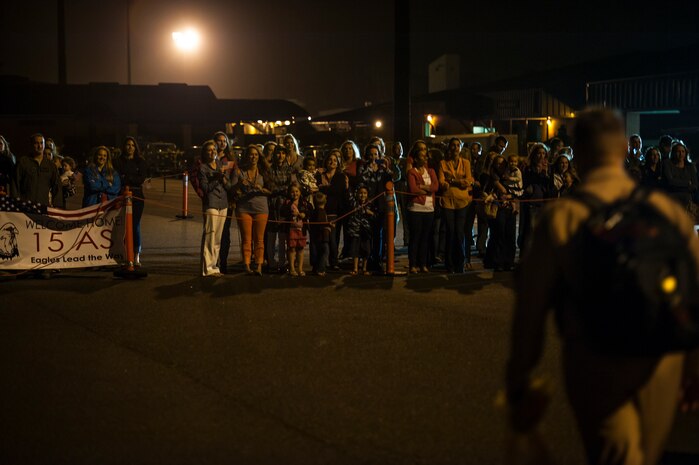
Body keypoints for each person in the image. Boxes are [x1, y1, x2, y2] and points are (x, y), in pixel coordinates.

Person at [506, 108, 699, 465]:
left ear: (577, 153)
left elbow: (530, 311)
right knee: (649, 453)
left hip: (596, 357)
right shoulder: (668, 213)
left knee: (614, 454)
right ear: (624, 149)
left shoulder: (563, 218)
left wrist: (519, 381)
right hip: (662, 358)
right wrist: (693, 364)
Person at [232, 144, 270, 275]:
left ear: (259, 156)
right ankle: (247, 265)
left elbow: (271, 190)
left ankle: (259, 265)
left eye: (255, 154)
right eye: (251, 154)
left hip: (261, 208)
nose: (253, 157)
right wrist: (239, 184)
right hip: (244, 208)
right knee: (246, 239)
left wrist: (262, 189)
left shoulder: (264, 171)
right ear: (246, 156)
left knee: (259, 239)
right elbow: (232, 190)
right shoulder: (239, 171)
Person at [438, 138, 473, 273]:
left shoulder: (466, 163)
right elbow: (442, 183)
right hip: (448, 202)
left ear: (461, 147)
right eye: (453, 145)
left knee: (460, 233)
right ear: (449, 147)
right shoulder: (443, 163)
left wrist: (451, 180)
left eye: (458, 145)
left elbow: (468, 181)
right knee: (450, 233)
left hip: (463, 202)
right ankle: (449, 263)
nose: (455, 148)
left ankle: (460, 262)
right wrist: (459, 182)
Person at [198, 141, 232, 278]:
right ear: (205, 153)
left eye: (214, 150)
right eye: (209, 150)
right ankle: (206, 268)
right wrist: (217, 179)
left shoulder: (220, 165)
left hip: (223, 203)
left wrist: (223, 179)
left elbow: (228, 185)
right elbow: (205, 189)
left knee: (218, 237)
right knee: (209, 236)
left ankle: (214, 266)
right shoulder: (203, 168)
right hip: (211, 204)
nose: (212, 152)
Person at [357, 143, 393, 271]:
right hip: (368, 203)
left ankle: (377, 260)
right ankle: (367, 260)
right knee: (367, 234)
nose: (373, 157)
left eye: (375, 154)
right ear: (367, 155)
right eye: (371, 154)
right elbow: (361, 183)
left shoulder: (383, 168)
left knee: (379, 235)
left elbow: (393, 179)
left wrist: (387, 166)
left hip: (381, 205)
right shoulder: (363, 168)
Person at [116, 137, 148, 266]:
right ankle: (124, 254)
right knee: (122, 226)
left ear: (136, 147)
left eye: (132, 145)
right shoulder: (118, 161)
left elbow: (141, 179)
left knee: (135, 226)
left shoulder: (141, 161)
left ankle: (136, 255)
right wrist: (129, 178)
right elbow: (117, 178)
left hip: (137, 197)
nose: (130, 147)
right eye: (127, 145)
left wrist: (127, 177)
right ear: (124, 147)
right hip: (121, 195)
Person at [407, 145, 439, 273]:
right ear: (415, 159)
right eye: (421, 155)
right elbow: (413, 189)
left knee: (425, 238)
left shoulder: (431, 171)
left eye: (425, 155)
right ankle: (413, 264)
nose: (425, 157)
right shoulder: (412, 172)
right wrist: (427, 188)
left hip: (429, 208)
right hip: (416, 209)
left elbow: (436, 187)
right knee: (415, 237)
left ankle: (423, 264)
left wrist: (423, 187)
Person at [483, 155, 518, 271]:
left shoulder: (509, 175)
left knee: (510, 236)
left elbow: (518, 190)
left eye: (502, 164)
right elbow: (486, 191)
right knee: (499, 235)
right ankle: (497, 262)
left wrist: (510, 195)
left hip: (510, 208)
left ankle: (509, 262)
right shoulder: (491, 177)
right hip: (498, 209)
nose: (500, 166)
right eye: (497, 163)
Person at [315, 149, 346, 270]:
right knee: (321, 238)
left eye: (335, 160)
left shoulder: (340, 176)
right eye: (330, 160)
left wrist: (324, 188)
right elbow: (316, 189)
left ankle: (333, 262)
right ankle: (321, 262)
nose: (332, 162)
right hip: (321, 211)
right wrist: (327, 188)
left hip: (334, 211)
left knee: (333, 239)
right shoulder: (319, 175)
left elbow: (338, 190)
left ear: (338, 163)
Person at [265, 144, 294, 272]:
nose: (280, 156)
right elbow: (271, 188)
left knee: (283, 236)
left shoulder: (289, 169)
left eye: (283, 153)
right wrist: (282, 189)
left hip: (284, 206)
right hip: (272, 205)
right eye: (278, 153)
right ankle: (271, 262)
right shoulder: (269, 169)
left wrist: (281, 190)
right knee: (271, 235)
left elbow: (291, 187)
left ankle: (282, 263)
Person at [13, 133, 61, 206]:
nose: (40, 146)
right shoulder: (23, 162)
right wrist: (15, 203)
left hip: (43, 207)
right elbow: (15, 184)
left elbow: (57, 187)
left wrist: (58, 205)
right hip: (25, 206)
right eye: (36, 143)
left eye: (42, 143)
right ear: (31, 145)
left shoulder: (51, 166)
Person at [213, 131, 236, 274]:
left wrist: (224, 179)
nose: (222, 143)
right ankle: (212, 262)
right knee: (213, 232)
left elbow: (232, 183)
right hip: (212, 199)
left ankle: (224, 262)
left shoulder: (229, 159)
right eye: (219, 141)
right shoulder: (210, 157)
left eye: (224, 141)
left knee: (225, 233)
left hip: (227, 200)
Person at [662, 141, 698, 217]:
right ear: (673, 153)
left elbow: (695, 185)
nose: (681, 154)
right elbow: (670, 181)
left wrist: (678, 185)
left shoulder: (690, 166)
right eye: (678, 151)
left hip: (687, 197)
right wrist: (687, 183)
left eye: (683, 151)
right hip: (672, 196)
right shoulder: (667, 164)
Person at [281, 182, 309, 277]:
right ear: (289, 193)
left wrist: (304, 214)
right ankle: (292, 269)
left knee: (300, 249)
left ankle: (300, 269)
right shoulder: (287, 202)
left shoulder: (304, 202)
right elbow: (282, 212)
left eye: (297, 191)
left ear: (300, 192)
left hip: (302, 229)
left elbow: (310, 211)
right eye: (292, 192)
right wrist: (290, 213)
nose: (295, 193)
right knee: (292, 248)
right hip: (291, 229)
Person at [346, 185, 374, 275]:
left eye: (365, 193)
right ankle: (355, 268)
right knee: (355, 250)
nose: (363, 195)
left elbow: (375, 216)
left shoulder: (370, 204)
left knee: (366, 250)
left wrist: (371, 213)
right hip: (355, 230)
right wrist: (348, 186)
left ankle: (364, 268)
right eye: (361, 193)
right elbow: (349, 196)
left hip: (366, 230)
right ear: (357, 194)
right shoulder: (354, 203)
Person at [309, 192, 332, 276]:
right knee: (325, 252)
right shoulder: (321, 211)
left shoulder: (314, 212)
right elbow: (321, 223)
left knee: (316, 252)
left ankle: (315, 268)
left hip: (315, 236)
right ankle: (321, 269)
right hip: (322, 237)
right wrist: (328, 225)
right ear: (325, 202)